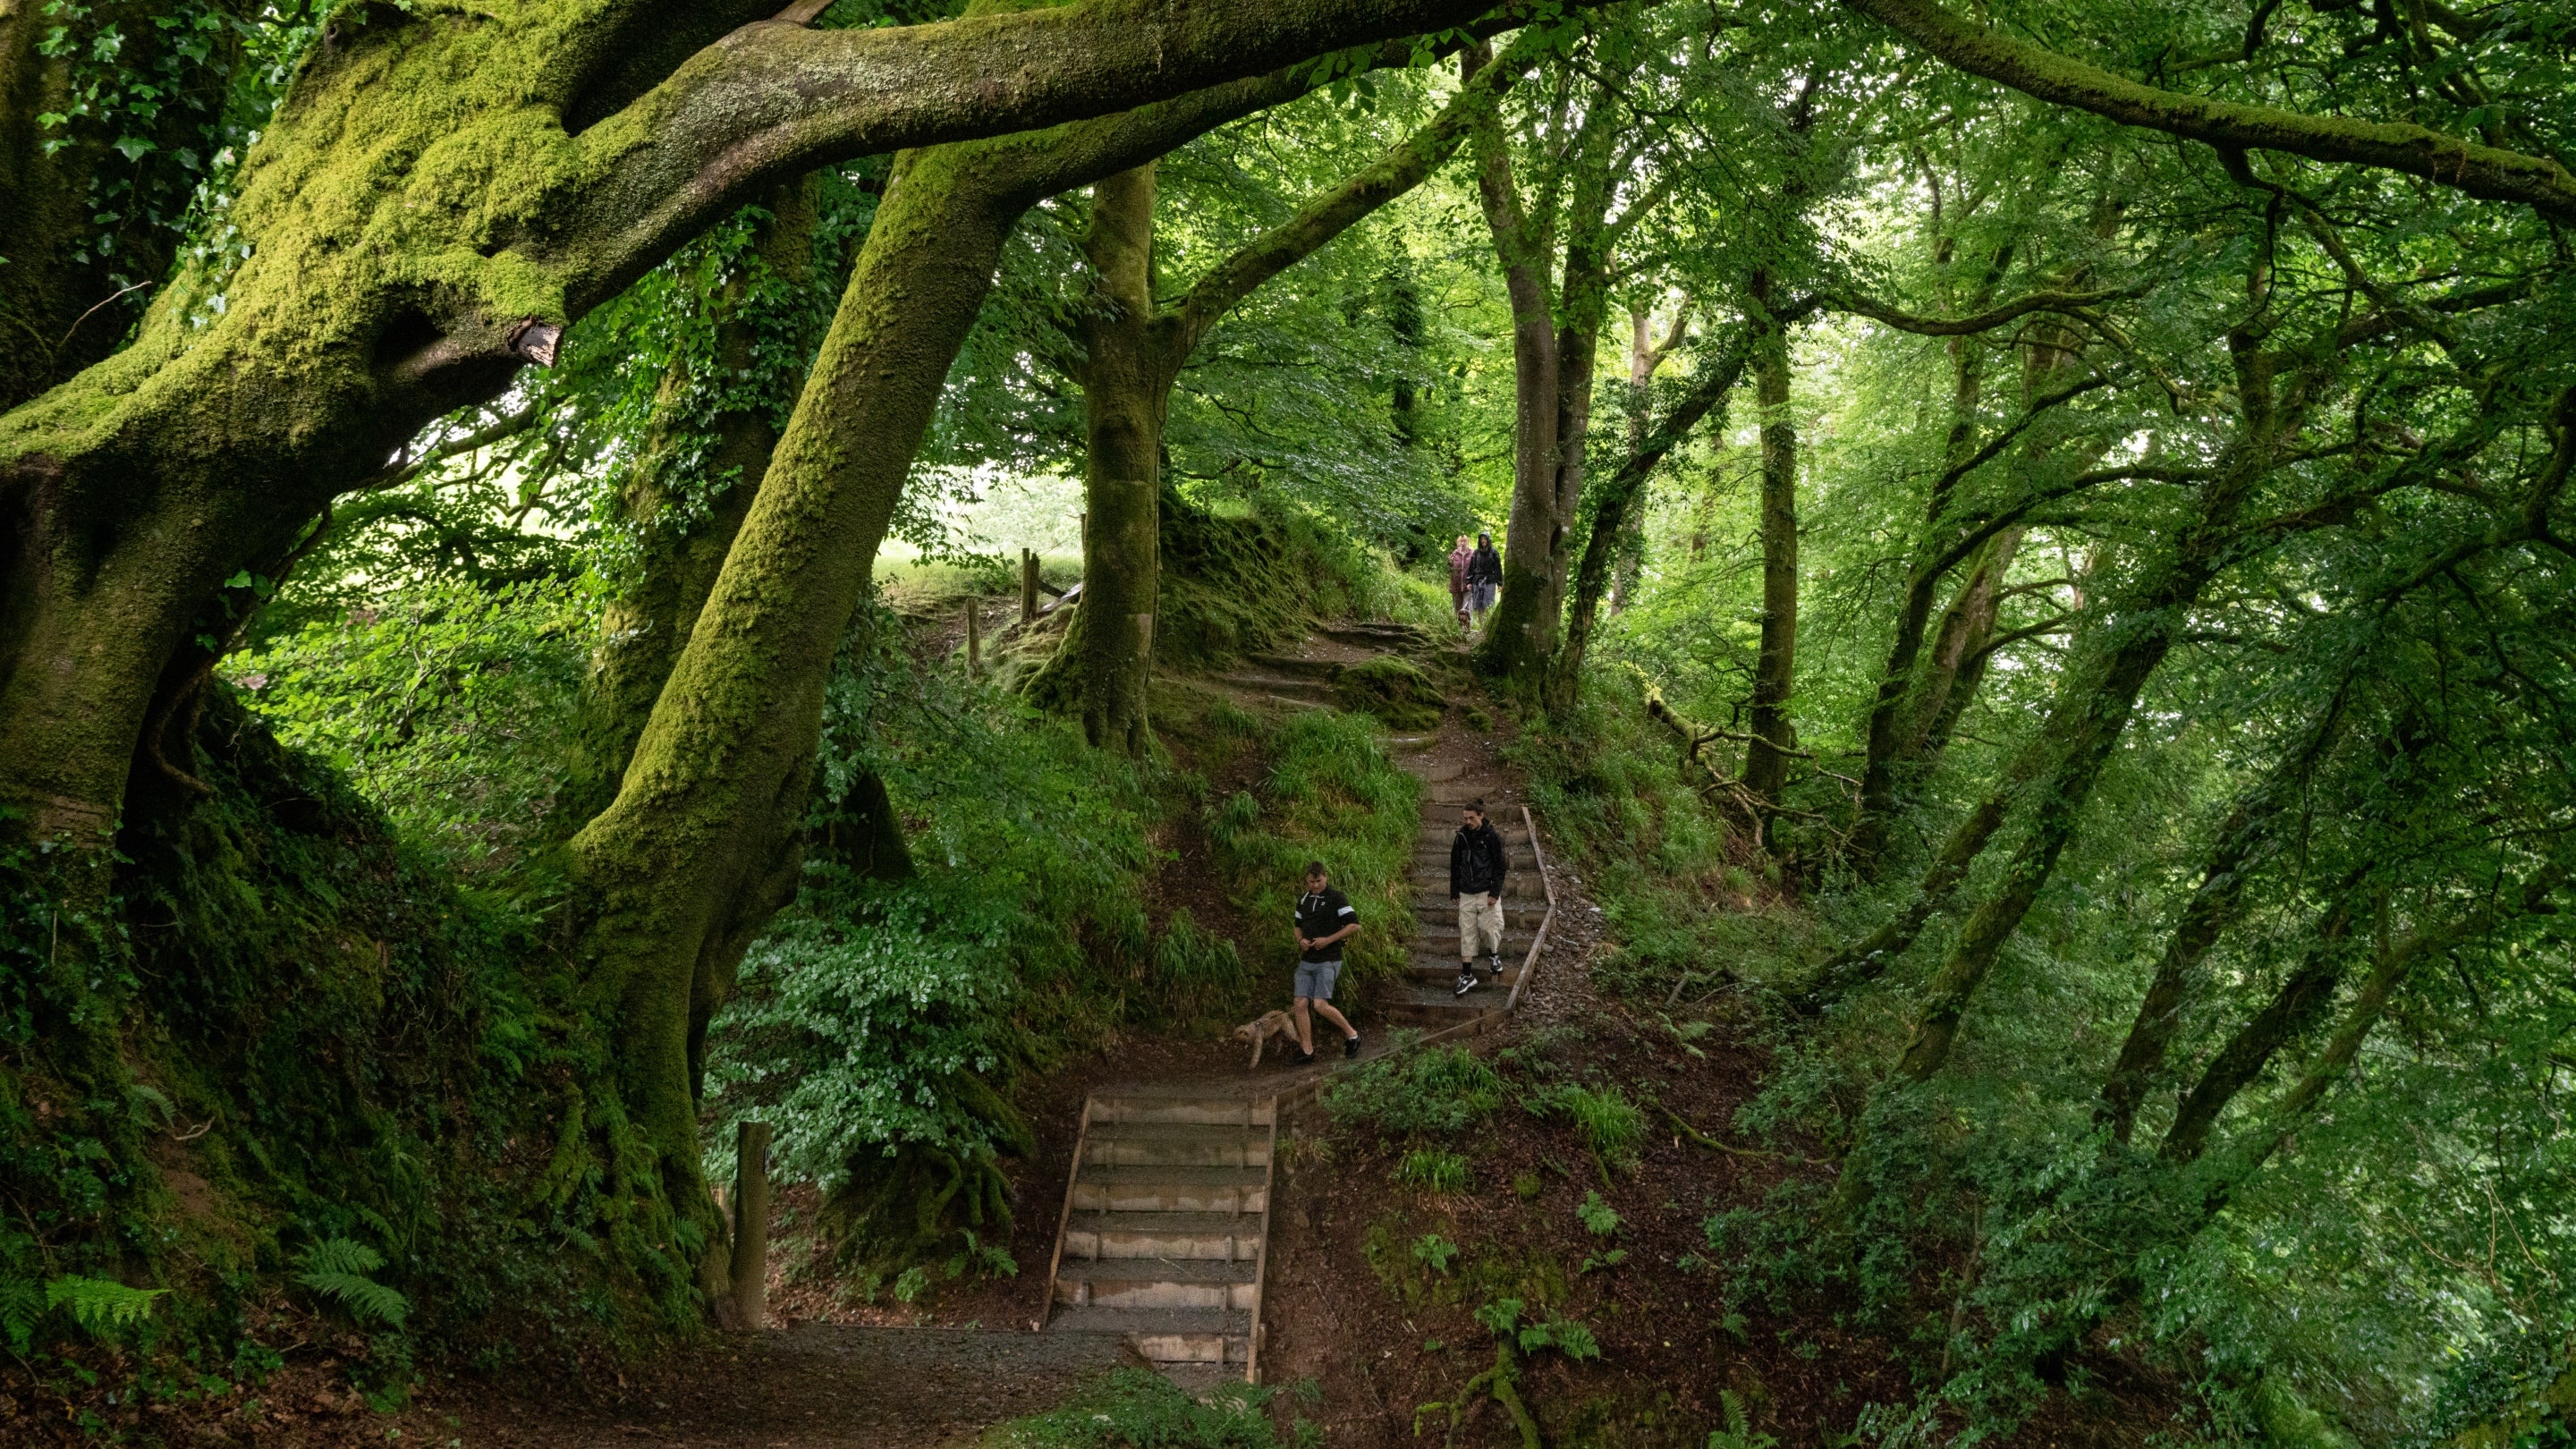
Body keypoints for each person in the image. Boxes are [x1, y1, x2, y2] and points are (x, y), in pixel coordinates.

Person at [1291, 861, 1363, 1063]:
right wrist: (1300, 940)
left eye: (1318, 881)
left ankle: (1353, 1035)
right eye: (1310, 882)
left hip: (1329, 958)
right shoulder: (1303, 899)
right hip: (1307, 959)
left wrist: (1328, 940)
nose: (1314, 885)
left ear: (1325, 877)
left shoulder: (1336, 898)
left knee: (1320, 1005)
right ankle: (1307, 1050)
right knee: (1300, 1003)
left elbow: (1354, 925)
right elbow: (1297, 926)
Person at [1450, 800, 1510, 996]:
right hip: (1466, 891)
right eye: (1465, 818)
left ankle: (1494, 954)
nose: (1468, 821)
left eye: (1472, 818)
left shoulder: (1492, 837)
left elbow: (1500, 866)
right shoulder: (1461, 837)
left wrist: (1495, 893)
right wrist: (1454, 891)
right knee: (1467, 931)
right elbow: (1455, 864)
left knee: (1489, 927)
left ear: (1481, 815)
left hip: (1486, 890)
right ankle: (1467, 974)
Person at [1465, 531, 1503, 629]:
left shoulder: (1494, 552)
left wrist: (1500, 583)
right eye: (1481, 539)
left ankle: (1488, 627)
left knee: (1488, 603)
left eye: (1485, 539)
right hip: (1477, 581)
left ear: (1488, 540)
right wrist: (1469, 581)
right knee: (1479, 605)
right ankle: (1482, 627)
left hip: (1490, 581)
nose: (1483, 541)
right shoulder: (1476, 553)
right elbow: (1471, 568)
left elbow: (1498, 568)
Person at [1446, 534, 1475, 631]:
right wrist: (1450, 562)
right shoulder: (1454, 553)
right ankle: (1459, 629)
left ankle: (1467, 628)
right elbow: (1450, 569)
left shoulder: (1473, 553)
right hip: (1456, 584)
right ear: (1458, 542)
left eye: (1464, 541)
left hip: (1469, 585)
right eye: (1460, 541)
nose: (1462, 543)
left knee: (1467, 608)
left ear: (1468, 542)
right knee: (1457, 608)